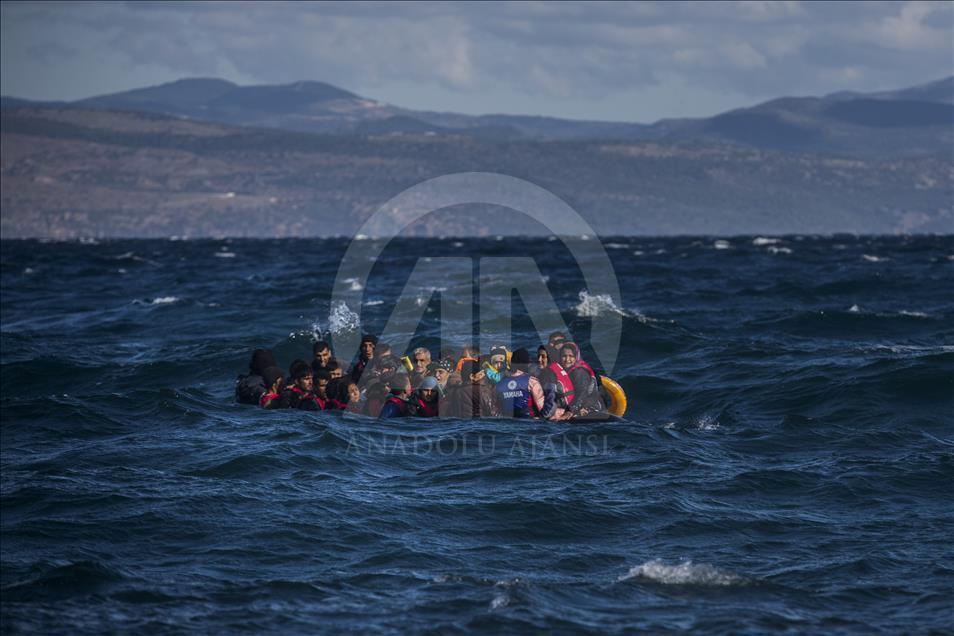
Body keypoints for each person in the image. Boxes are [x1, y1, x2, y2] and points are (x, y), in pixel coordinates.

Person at [559, 342, 606, 417]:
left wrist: (570, 411)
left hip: (592, 406)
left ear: (576, 357)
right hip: (578, 404)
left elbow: (582, 393)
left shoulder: (579, 372)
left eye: (571, 356)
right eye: (564, 356)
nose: (567, 359)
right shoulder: (566, 370)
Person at [495, 348, 545, 418]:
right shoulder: (532, 381)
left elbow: (496, 409)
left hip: (505, 424)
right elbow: (542, 408)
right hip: (528, 422)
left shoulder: (500, 383)